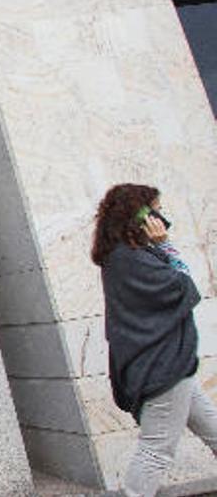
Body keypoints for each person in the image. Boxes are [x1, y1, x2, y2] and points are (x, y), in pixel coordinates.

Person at [92, 183, 217, 497]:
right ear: (139, 216)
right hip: (162, 367)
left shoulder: (126, 257)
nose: (161, 217)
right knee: (156, 450)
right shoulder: (129, 259)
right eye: (156, 210)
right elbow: (184, 286)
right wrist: (166, 244)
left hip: (169, 366)